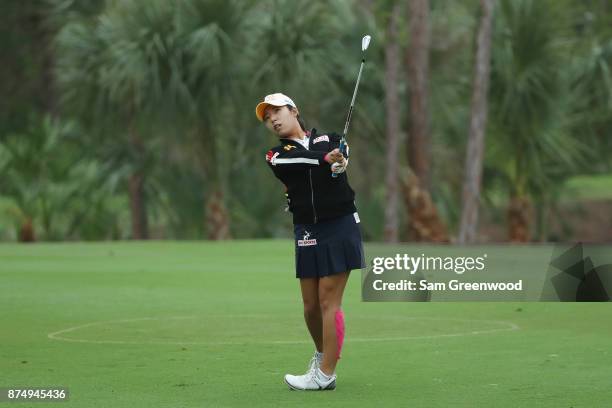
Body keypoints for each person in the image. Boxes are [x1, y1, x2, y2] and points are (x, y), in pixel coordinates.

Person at [256, 93, 365, 391]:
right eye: (267, 118)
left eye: (277, 111)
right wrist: (326, 159)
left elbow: (339, 159)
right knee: (310, 306)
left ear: (294, 110)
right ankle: (321, 357)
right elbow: (301, 162)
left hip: (340, 225)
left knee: (329, 300)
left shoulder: (329, 140)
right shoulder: (277, 155)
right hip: (306, 230)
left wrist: (340, 161)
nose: (273, 120)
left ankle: (326, 374)